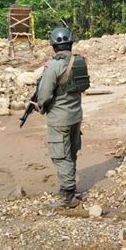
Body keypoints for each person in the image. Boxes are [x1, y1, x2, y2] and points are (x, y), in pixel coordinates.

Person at [36, 27, 90, 208]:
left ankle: (68, 196)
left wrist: (41, 107)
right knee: (71, 153)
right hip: (76, 115)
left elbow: (43, 95)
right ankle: (70, 189)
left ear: (53, 46)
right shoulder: (79, 62)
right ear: (71, 43)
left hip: (59, 119)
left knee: (61, 156)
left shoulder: (53, 66)